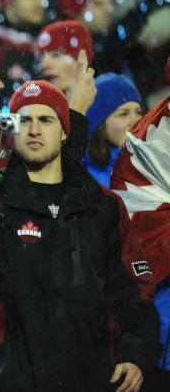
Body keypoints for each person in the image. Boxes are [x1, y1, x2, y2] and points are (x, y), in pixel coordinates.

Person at [0, 79, 159, 391]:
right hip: (7, 382)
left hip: (89, 380)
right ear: (11, 130)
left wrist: (135, 353)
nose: (34, 129)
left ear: (66, 131)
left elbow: (134, 292)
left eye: (46, 120)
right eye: (24, 120)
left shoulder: (103, 207)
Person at [110, 59, 170, 388]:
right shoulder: (146, 148)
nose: (134, 120)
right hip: (157, 328)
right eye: (122, 112)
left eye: (136, 111)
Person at [82, 73, 143, 187]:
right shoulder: (84, 180)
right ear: (99, 124)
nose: (135, 121)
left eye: (138, 112)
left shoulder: (156, 160)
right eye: (124, 114)